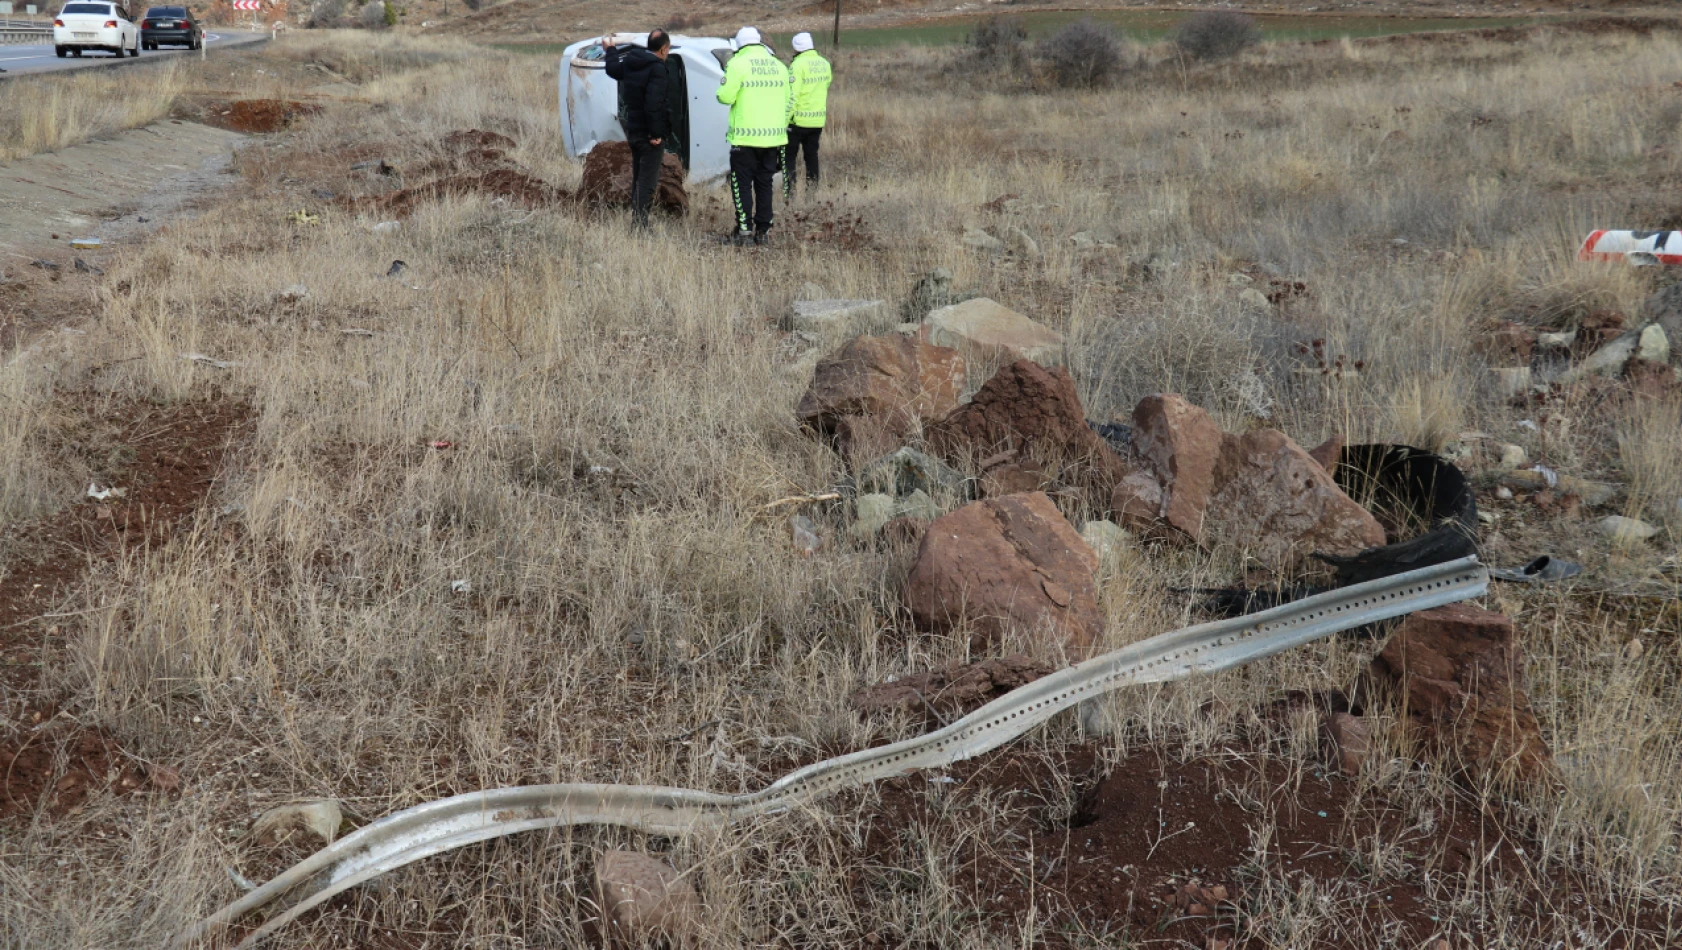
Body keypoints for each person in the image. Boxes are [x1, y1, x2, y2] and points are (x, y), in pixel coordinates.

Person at [716, 26, 790, 245]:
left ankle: (744, 230)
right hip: (773, 138)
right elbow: (788, 100)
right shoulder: (779, 66)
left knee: (741, 184)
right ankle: (763, 231)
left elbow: (724, 97)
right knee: (765, 184)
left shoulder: (737, 64)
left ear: (739, 45)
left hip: (745, 139)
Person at [603, 30, 671, 230]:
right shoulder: (657, 69)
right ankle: (640, 226)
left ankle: (638, 222)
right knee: (646, 182)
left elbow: (613, 69)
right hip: (648, 134)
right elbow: (653, 104)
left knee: (639, 177)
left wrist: (611, 50)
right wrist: (656, 134)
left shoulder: (632, 63)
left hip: (633, 130)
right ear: (663, 48)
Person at [784, 31, 832, 200]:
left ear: (796, 48)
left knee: (789, 158)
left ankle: (789, 196)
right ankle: (811, 195)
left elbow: (792, 96)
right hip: (817, 121)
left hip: (797, 121)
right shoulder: (825, 63)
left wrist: (784, 120)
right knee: (812, 157)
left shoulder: (797, 66)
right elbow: (826, 85)